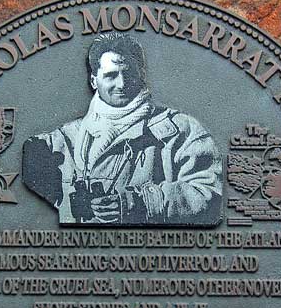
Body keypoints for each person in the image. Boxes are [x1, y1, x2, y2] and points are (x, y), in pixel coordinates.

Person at [22, 32, 222, 225]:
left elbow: (209, 194)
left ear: (141, 75)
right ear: (94, 81)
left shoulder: (181, 130)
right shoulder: (64, 139)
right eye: (110, 75)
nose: (122, 83)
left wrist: (140, 203)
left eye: (128, 73)